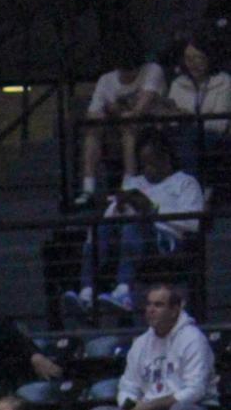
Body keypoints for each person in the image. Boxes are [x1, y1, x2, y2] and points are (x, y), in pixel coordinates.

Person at [72, 134, 205, 314]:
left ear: (165, 159)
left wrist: (152, 210)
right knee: (101, 227)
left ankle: (124, 291)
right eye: (143, 165)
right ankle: (86, 293)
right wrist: (117, 207)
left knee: (134, 224)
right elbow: (110, 217)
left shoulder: (185, 183)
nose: (147, 170)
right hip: (129, 238)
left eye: (151, 163)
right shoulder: (135, 182)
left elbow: (192, 223)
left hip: (166, 241)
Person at [114, 276, 217, 410]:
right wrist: (131, 408)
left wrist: (150, 408)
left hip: (190, 409)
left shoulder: (193, 339)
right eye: (148, 304)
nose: (151, 310)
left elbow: (195, 390)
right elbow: (128, 387)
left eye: (158, 305)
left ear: (174, 311)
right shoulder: (140, 343)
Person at [75, 41, 167, 203]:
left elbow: (139, 110)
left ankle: (129, 183)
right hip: (115, 128)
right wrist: (106, 113)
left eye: (132, 70)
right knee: (93, 131)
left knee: (129, 128)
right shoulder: (106, 80)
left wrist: (117, 109)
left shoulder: (153, 70)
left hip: (149, 126)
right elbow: (93, 114)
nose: (127, 75)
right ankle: (88, 187)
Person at [163, 32, 231, 171]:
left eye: (197, 58)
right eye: (188, 58)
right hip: (178, 134)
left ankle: (191, 187)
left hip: (210, 136)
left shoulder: (224, 81)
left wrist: (190, 119)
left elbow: (220, 124)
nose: (192, 63)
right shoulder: (178, 83)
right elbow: (171, 117)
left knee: (190, 139)